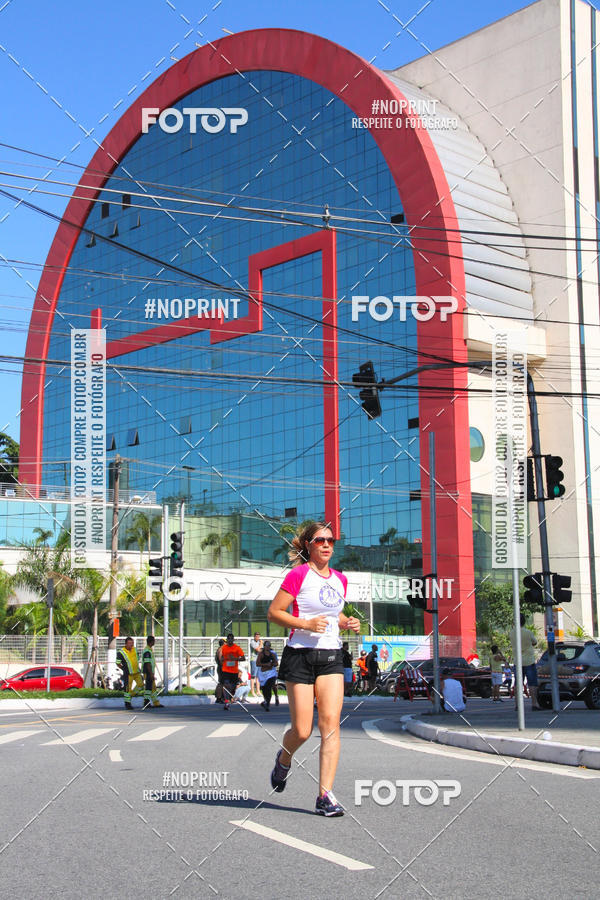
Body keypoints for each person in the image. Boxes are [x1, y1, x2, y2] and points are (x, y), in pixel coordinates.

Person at [267, 521, 361, 816]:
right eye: (320, 540)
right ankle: (284, 758)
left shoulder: (340, 580)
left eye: (331, 541)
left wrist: (346, 622)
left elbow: (336, 612)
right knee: (303, 730)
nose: (326, 545)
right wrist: (306, 624)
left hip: (331, 655)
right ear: (307, 544)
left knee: (330, 725)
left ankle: (325, 795)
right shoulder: (298, 575)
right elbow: (274, 612)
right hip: (300, 655)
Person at [510, 613, 541, 710]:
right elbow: (535, 642)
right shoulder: (528, 632)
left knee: (517, 683)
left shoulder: (511, 632)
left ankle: (517, 705)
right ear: (524, 621)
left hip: (517, 661)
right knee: (532, 683)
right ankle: (534, 703)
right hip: (529, 660)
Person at [219, 633, 245, 710]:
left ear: (233, 640)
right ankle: (226, 701)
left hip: (234, 671)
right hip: (226, 670)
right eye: (228, 639)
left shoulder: (237, 648)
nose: (230, 640)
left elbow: (243, 658)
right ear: (227, 640)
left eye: (231, 639)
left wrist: (235, 659)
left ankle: (229, 698)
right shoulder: (224, 648)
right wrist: (222, 660)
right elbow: (221, 658)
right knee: (226, 685)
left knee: (232, 687)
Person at [116, 636, 143, 710]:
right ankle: (128, 704)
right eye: (130, 643)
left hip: (137, 672)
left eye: (132, 643)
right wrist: (124, 669)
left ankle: (131, 695)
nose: (131, 645)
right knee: (127, 689)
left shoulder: (135, 649)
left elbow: (137, 659)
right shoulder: (121, 652)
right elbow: (118, 663)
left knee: (141, 685)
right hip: (128, 674)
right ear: (126, 644)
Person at [141, 635, 164, 709]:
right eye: (154, 641)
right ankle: (146, 702)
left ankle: (156, 703)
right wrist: (151, 674)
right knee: (148, 688)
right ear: (151, 642)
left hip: (150, 672)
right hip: (148, 672)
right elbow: (147, 664)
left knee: (153, 688)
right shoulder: (147, 651)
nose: (155, 642)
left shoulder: (149, 650)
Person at [256, 640, 279, 711]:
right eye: (266, 645)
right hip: (263, 674)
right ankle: (265, 700)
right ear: (264, 646)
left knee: (270, 686)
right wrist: (265, 664)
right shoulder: (261, 654)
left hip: (271, 673)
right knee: (265, 689)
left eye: (269, 645)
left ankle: (268, 703)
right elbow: (257, 663)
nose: (268, 647)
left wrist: (271, 664)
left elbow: (276, 663)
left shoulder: (272, 654)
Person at [249, 632, 262, 697]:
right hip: (253, 660)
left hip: (259, 660)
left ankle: (258, 691)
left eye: (258, 636)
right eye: (256, 636)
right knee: (253, 676)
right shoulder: (252, 642)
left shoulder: (259, 642)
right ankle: (252, 691)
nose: (257, 637)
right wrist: (261, 644)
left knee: (258, 677)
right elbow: (258, 650)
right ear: (254, 636)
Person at [214, 638, 225, 704]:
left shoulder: (220, 649)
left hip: (220, 667)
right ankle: (219, 698)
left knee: (222, 682)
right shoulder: (221, 649)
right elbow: (221, 659)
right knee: (222, 683)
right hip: (222, 667)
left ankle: (220, 697)